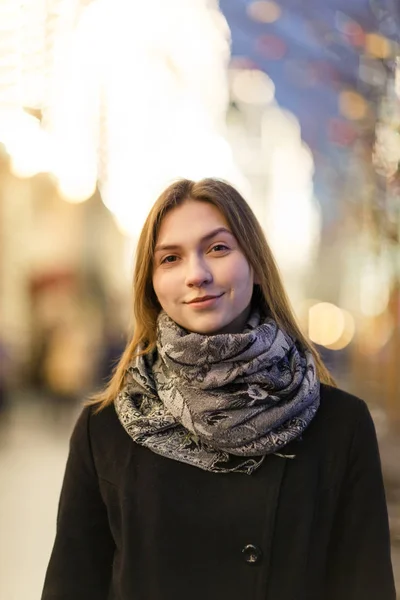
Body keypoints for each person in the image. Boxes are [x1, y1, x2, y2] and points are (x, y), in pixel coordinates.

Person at [41, 178, 395, 600]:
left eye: (218, 249)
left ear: (257, 265)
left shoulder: (339, 424)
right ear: (151, 284)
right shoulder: (105, 430)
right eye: (170, 258)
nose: (196, 275)